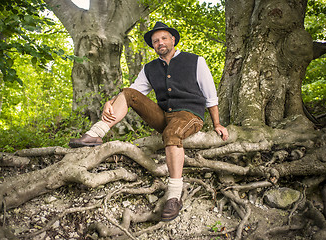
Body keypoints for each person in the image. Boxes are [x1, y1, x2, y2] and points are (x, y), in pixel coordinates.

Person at [69, 21, 229, 221]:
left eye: (163, 38)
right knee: (128, 93)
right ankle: (96, 133)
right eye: (155, 41)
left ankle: (173, 195)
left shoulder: (195, 61)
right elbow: (134, 91)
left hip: (190, 115)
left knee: (171, 134)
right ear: (153, 46)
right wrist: (110, 101)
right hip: (164, 116)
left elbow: (210, 96)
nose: (160, 43)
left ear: (173, 40)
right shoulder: (149, 68)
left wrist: (217, 124)